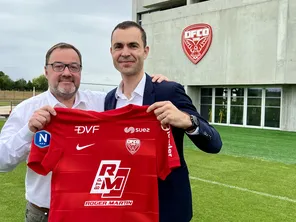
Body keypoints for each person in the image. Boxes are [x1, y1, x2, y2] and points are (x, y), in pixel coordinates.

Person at [0, 42, 168, 222]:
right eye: (58, 66)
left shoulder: (102, 103)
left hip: (89, 212)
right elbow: (2, 162)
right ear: (46, 71)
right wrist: (28, 130)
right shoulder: (27, 110)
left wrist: (155, 86)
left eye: (74, 67)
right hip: (44, 214)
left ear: (80, 71)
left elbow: (132, 105)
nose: (66, 73)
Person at [105, 21, 223, 222]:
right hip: (125, 206)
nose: (125, 52)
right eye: (119, 46)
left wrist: (187, 121)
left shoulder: (168, 91)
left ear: (145, 51)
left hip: (166, 209)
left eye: (133, 46)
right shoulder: (110, 99)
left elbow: (214, 143)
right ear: (111, 52)